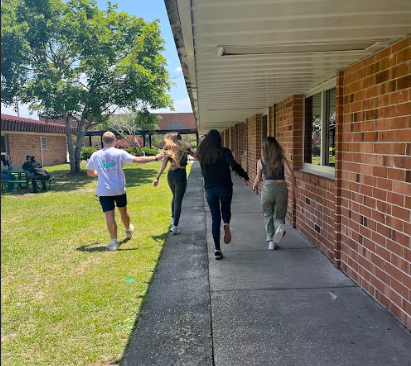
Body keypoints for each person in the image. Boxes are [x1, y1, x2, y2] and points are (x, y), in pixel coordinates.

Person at [86, 131, 164, 251]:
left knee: (109, 215)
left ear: (103, 141)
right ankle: (128, 230)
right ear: (114, 140)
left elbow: (90, 172)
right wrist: (155, 158)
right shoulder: (119, 153)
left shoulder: (95, 155)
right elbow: (137, 160)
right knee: (123, 211)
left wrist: (100, 172)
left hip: (104, 190)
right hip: (119, 189)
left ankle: (113, 242)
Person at [196, 129, 249, 260]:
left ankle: (217, 249)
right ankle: (226, 223)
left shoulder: (202, 154)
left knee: (214, 218)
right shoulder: (224, 151)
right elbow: (233, 165)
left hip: (209, 189)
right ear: (219, 139)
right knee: (225, 209)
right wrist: (244, 175)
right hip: (224, 187)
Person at [253, 137, 298, 250]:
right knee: (279, 215)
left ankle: (271, 242)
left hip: (268, 188)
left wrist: (254, 185)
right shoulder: (282, 159)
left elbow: (258, 178)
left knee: (268, 215)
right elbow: (290, 173)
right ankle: (278, 229)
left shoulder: (260, 161)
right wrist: (295, 186)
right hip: (281, 188)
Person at [153, 133, 196, 234]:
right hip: (180, 175)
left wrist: (157, 178)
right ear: (180, 139)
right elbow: (197, 156)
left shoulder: (168, 149)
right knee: (178, 200)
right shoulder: (185, 148)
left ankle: (173, 220)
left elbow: (163, 166)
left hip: (171, 175)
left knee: (174, 197)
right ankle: (175, 226)